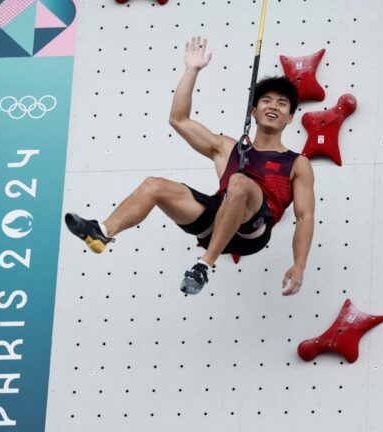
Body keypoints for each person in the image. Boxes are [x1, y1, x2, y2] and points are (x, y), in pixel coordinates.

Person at [65, 36, 315, 295]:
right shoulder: (229, 148)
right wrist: (191, 71)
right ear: (254, 110)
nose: (273, 106)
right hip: (216, 220)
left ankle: (203, 266)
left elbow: (305, 217)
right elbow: (179, 120)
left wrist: (299, 265)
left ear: (290, 117)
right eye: (266, 100)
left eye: (282, 103)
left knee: (239, 183)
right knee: (154, 185)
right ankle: (103, 232)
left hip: (254, 231)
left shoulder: (297, 162)